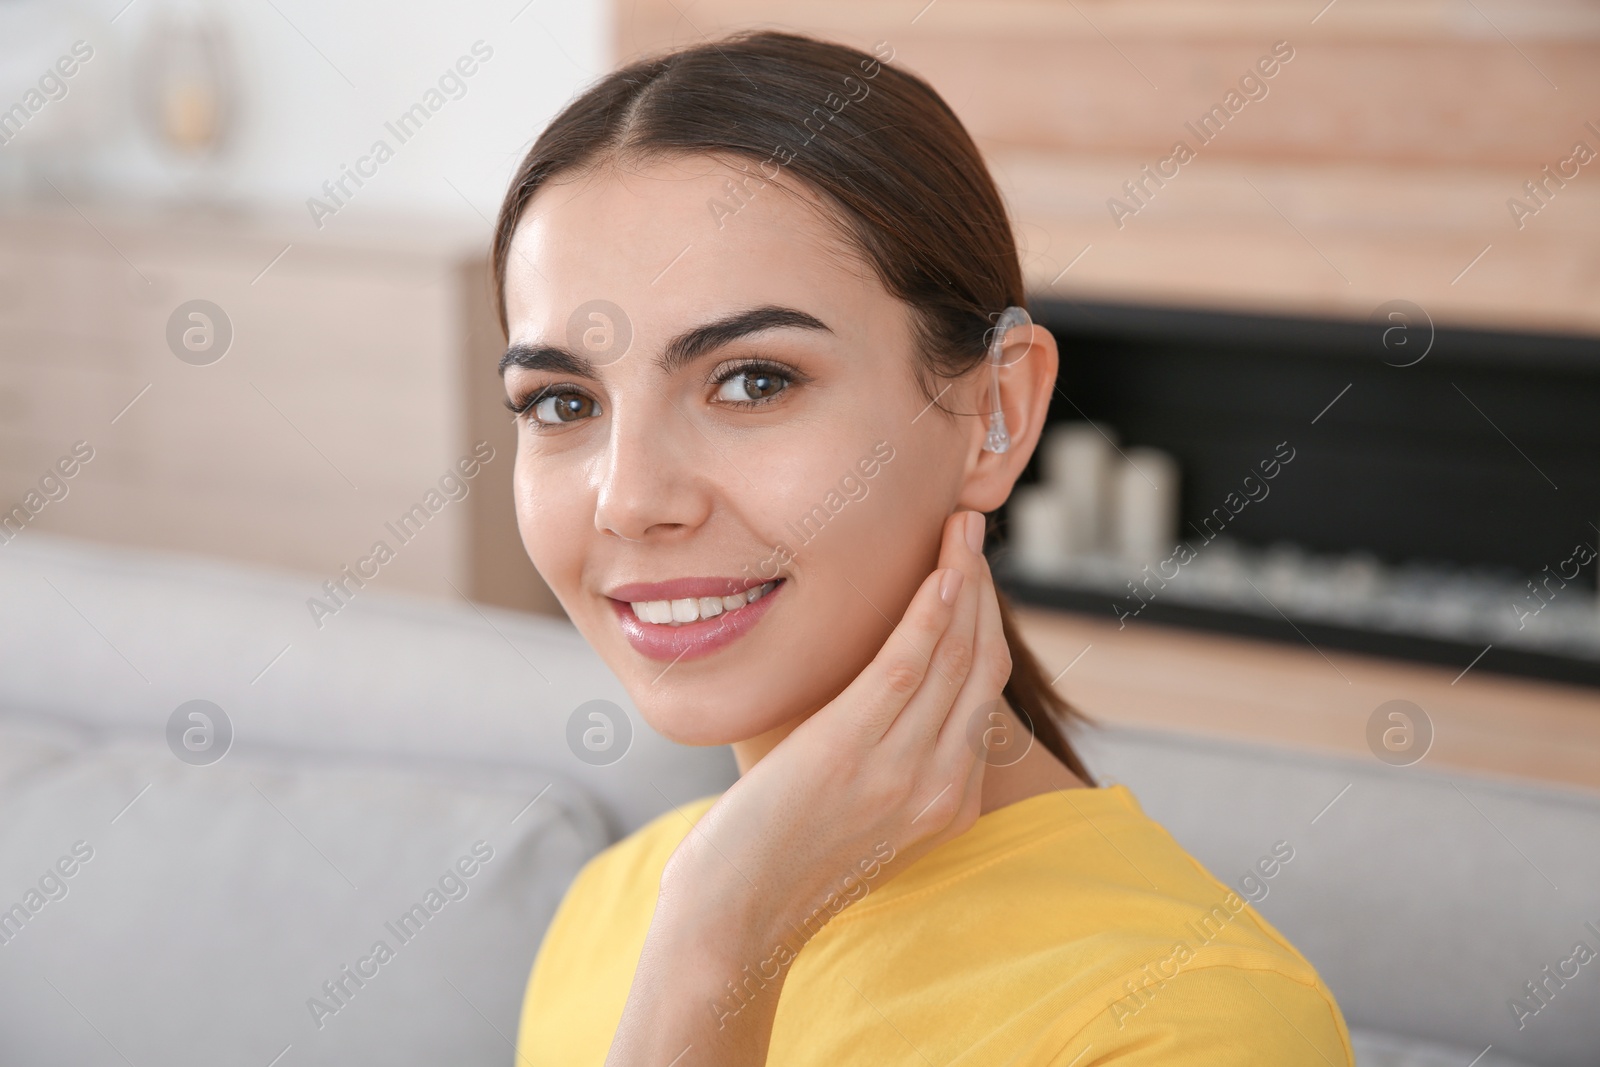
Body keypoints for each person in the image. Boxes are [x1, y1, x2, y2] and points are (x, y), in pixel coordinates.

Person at [494, 29, 1354, 1066]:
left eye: (752, 380)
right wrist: (710, 932)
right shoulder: (618, 908)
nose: (630, 498)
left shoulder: (1195, 1020)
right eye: (561, 401)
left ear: (995, 407)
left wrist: (717, 953)